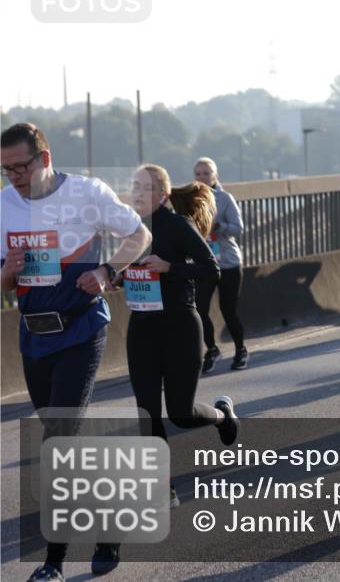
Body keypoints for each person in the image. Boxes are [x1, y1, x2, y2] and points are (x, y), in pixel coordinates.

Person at [1, 123, 152, 582]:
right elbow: (1, 285)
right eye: (5, 169)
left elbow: (140, 235)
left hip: (83, 329)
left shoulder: (87, 192)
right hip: (34, 335)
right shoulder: (3, 206)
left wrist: (107, 269)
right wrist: (8, 272)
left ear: (45, 158)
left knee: (57, 440)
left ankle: (53, 563)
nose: (14, 177)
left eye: (21, 167)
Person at [122, 166, 239, 507]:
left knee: (180, 413)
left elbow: (210, 268)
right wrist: (116, 277)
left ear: (162, 195)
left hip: (179, 327)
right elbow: (126, 268)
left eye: (145, 188)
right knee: (147, 412)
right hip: (142, 328)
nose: (138, 193)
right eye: (134, 187)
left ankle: (221, 416)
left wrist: (170, 268)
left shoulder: (177, 226)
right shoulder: (129, 229)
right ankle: (165, 487)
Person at [193, 157, 248, 372]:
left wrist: (219, 226)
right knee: (199, 309)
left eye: (206, 173)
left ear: (214, 176)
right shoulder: (191, 200)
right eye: (198, 173)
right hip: (204, 263)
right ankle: (212, 349)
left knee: (228, 310)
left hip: (228, 262)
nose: (202, 177)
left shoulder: (225, 198)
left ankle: (241, 349)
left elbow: (238, 228)